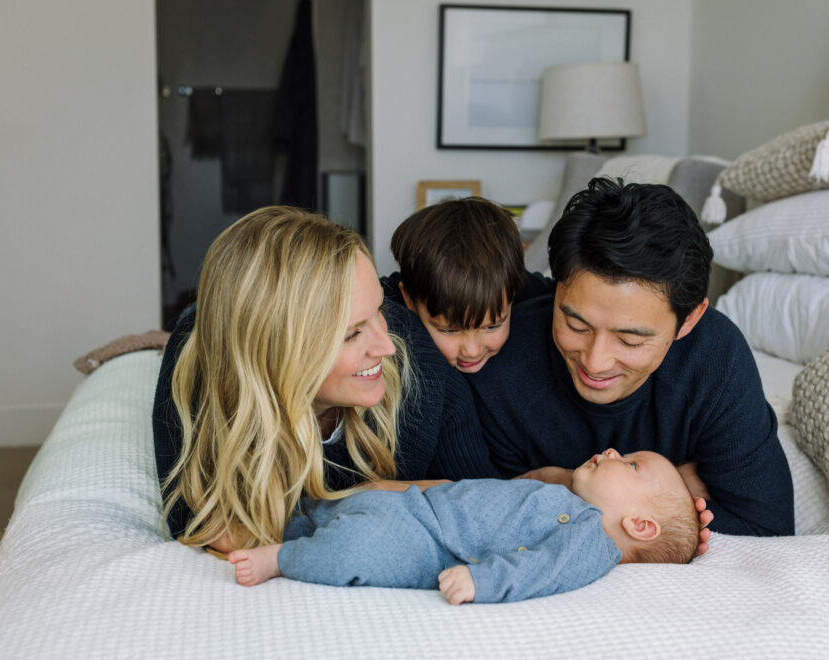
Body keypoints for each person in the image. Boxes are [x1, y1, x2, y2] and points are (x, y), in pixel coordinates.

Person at [152, 206, 500, 551]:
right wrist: (369, 495)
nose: (386, 346)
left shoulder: (417, 362)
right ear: (280, 354)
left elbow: (488, 509)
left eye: (380, 310)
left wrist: (312, 511)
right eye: (352, 334)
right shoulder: (196, 365)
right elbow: (209, 527)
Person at [465, 178, 795, 537]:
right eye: (576, 325)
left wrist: (559, 484)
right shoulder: (500, 360)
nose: (595, 362)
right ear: (556, 289)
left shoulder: (714, 358)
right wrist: (677, 491)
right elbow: (481, 519)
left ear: (689, 320)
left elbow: (766, 528)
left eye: (630, 340)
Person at [228, 448, 699, 603]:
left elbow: (543, 570)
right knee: (335, 508)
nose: (614, 451)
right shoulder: (570, 500)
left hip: (429, 545)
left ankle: (282, 559)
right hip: (418, 507)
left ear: (640, 525)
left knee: (358, 547)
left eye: (631, 464)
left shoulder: (591, 542)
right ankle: (270, 525)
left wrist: (483, 581)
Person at [382, 197, 551, 373]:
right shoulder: (387, 308)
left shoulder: (533, 293)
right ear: (409, 299)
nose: (472, 351)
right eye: (449, 331)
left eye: (492, 327)